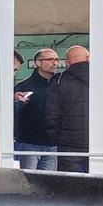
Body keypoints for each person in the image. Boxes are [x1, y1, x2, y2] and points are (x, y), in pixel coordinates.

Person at [40, 45, 91, 173]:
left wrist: (56, 138)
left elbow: (52, 114)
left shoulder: (59, 80)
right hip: (97, 141)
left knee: (69, 185)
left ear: (68, 63)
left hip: (68, 145)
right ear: (88, 58)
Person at [13, 48, 60, 169]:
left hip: (52, 145)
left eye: (56, 59)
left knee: (48, 184)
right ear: (38, 63)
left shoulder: (59, 86)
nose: (54, 63)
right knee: (27, 182)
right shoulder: (23, 87)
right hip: (28, 144)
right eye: (50, 59)